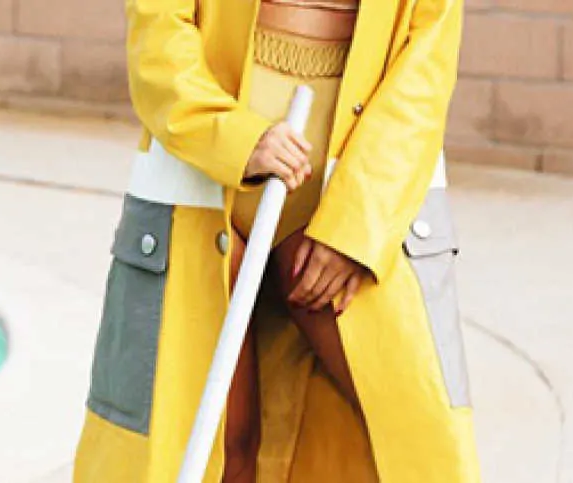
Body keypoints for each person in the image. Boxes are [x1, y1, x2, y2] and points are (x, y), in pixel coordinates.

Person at [73, 0, 479, 480]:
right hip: (201, 181)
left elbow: (425, 64)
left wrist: (356, 225)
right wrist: (237, 139)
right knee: (222, 446)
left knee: (420, 436)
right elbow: (159, 32)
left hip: (350, 184)